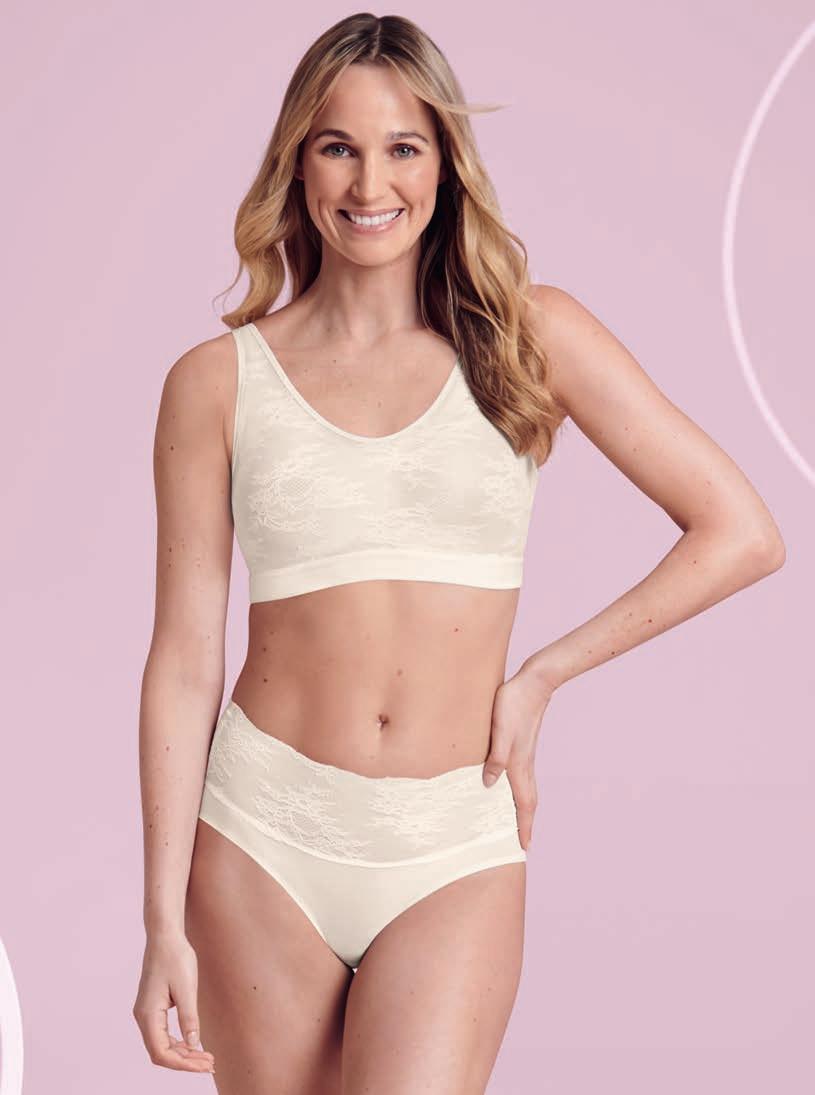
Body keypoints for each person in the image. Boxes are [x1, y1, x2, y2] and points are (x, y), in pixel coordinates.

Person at [131, 12, 785, 1093]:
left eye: (402, 147)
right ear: (298, 162)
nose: (369, 183)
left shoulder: (528, 336)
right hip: (260, 833)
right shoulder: (215, 382)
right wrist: (161, 916)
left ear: (443, 162)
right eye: (337, 147)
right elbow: (183, 656)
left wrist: (540, 677)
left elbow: (740, 531)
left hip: (451, 842)